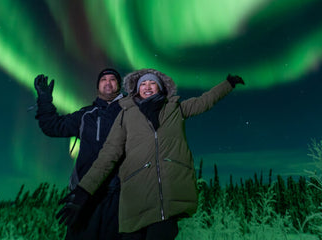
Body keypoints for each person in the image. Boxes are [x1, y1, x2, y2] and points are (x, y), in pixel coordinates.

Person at [56, 68, 245, 240]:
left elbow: (205, 101)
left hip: (167, 201)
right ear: (137, 90)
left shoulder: (175, 109)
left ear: (160, 87)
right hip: (135, 199)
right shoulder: (125, 115)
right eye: (143, 84)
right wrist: (84, 191)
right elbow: (108, 155)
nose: (147, 87)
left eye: (152, 83)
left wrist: (227, 84)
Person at [34, 68, 125, 240]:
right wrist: (44, 100)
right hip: (84, 196)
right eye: (103, 79)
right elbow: (53, 126)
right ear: (98, 86)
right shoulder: (86, 115)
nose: (108, 82)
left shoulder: (130, 114)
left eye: (112, 79)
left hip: (119, 196)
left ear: (119, 86)